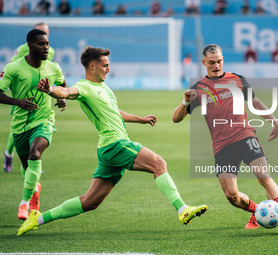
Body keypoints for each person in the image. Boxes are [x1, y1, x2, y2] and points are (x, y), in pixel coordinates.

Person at [16, 46, 207, 236]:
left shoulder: (103, 87)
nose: (109, 69)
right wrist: (50, 89)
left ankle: (38, 219)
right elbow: (65, 92)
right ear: (92, 66)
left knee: (90, 201)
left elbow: (114, 111)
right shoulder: (85, 87)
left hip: (107, 149)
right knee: (158, 163)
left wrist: (139, 119)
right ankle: (183, 209)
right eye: (105, 65)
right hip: (115, 144)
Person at [172, 44, 278, 233]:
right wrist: (185, 101)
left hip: (245, 136)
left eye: (219, 61)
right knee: (232, 196)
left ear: (223, 60)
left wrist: (275, 121)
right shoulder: (199, 89)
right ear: (204, 63)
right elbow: (176, 118)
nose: (216, 65)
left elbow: (254, 102)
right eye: (211, 62)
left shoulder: (237, 80)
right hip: (222, 146)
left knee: (264, 177)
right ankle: (256, 211)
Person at [0, 29, 67, 221]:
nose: (46, 48)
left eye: (47, 44)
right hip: (20, 125)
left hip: (44, 120)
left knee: (35, 153)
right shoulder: (13, 68)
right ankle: (34, 188)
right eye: (41, 44)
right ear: (30, 46)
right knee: (27, 167)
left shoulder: (53, 67)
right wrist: (18, 102)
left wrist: (61, 98)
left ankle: (24, 204)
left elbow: (63, 85)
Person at [4, 23, 55, 174]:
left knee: (35, 146)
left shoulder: (50, 52)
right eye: (41, 42)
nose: (45, 46)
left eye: (46, 37)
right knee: (19, 127)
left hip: (42, 103)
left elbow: (50, 71)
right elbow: (12, 66)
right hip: (22, 94)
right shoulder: (22, 49)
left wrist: (58, 93)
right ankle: (8, 153)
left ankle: (34, 164)